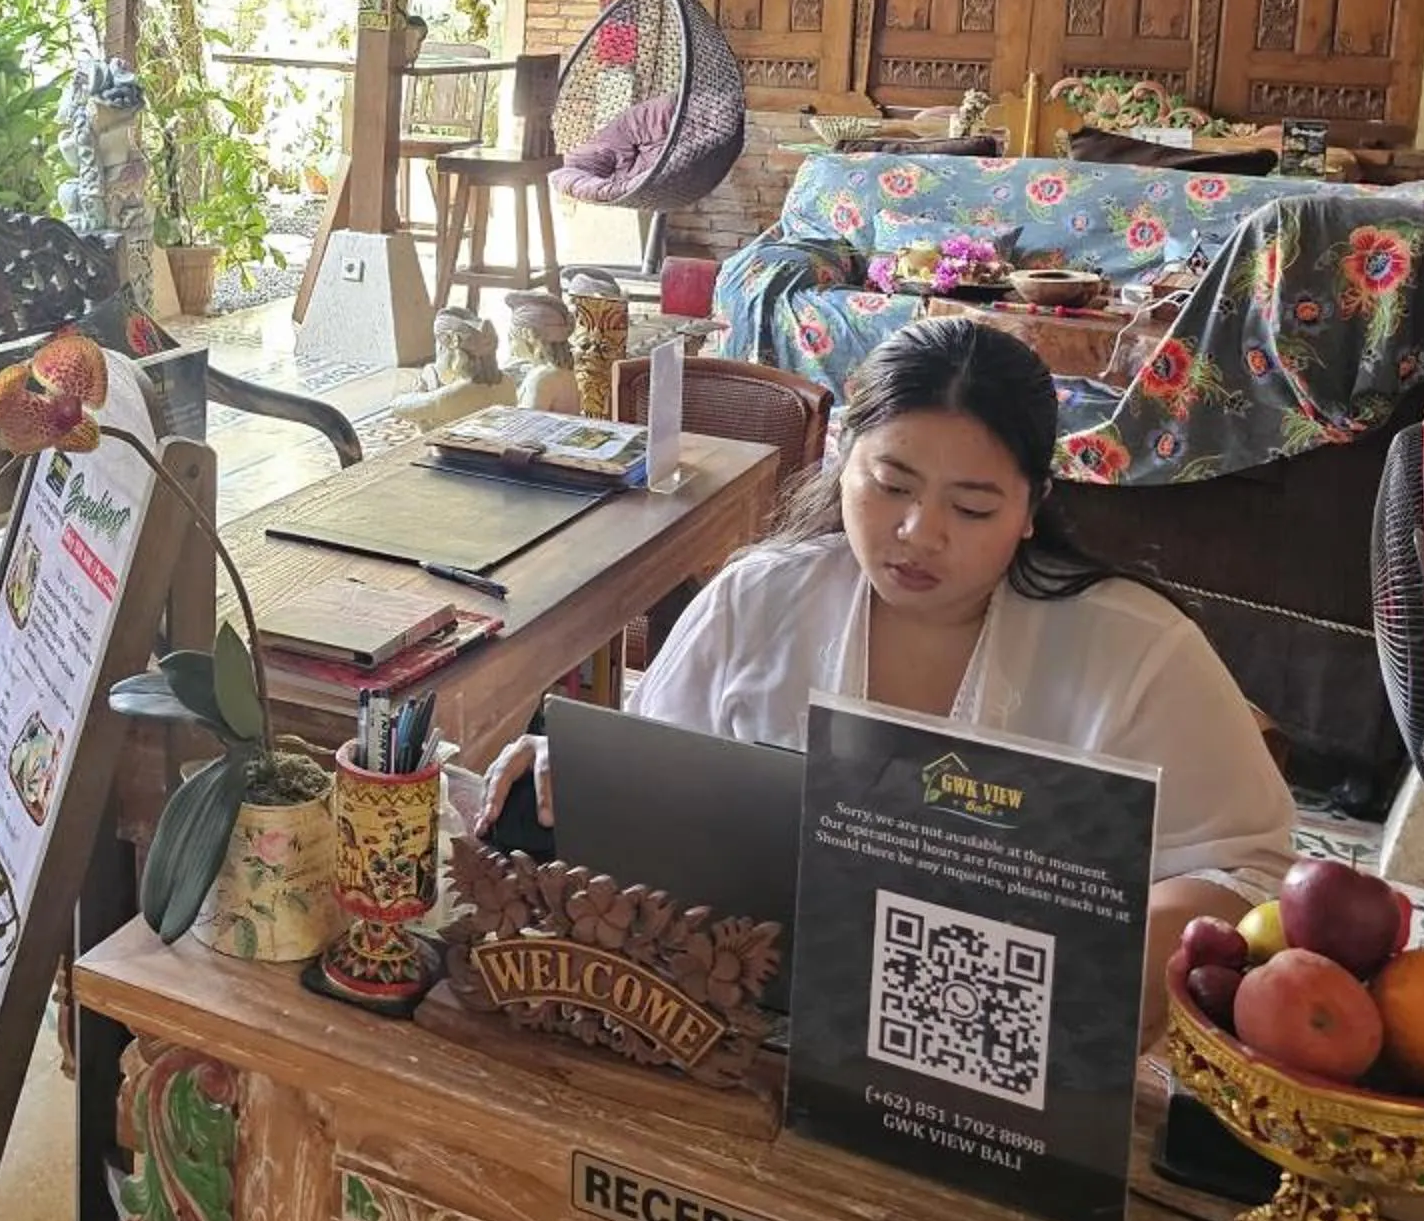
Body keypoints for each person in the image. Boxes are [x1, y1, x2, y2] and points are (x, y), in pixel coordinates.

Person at [475, 315, 1295, 1044]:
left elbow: (1249, 870)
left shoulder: (1135, 650)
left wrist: (1137, 947)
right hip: (742, 1034)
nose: (919, 533)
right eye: (891, 485)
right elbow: (660, 768)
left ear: (1032, 506)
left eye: (972, 508)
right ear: (842, 462)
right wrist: (580, 778)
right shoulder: (760, 597)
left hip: (1008, 1068)